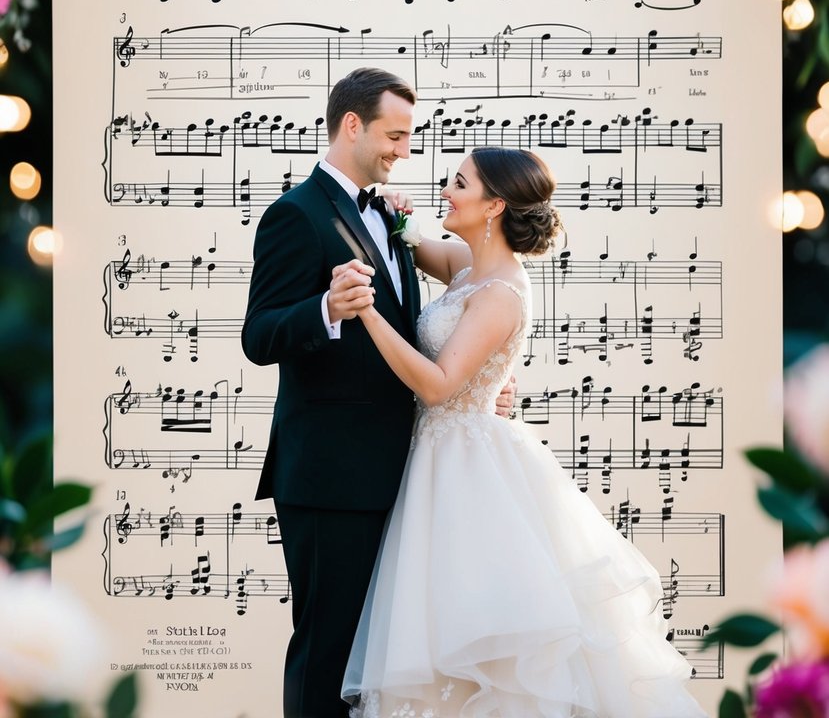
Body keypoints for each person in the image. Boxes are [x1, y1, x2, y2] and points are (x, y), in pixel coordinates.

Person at [341, 147, 708, 718]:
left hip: (468, 473)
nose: (445, 189)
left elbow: (439, 386)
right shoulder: (470, 266)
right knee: (437, 630)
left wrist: (365, 313)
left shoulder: (501, 292)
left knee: (482, 641)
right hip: (439, 460)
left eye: (457, 183)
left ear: (493, 205)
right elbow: (415, 245)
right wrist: (395, 213)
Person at [242, 69, 514, 718]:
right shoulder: (295, 215)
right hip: (330, 479)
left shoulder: (389, 217)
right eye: (395, 135)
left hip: (399, 473)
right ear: (352, 126)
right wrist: (325, 309)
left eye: (409, 137)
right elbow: (259, 335)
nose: (404, 150)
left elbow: (417, 332)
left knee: (374, 664)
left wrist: (478, 386)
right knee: (328, 654)